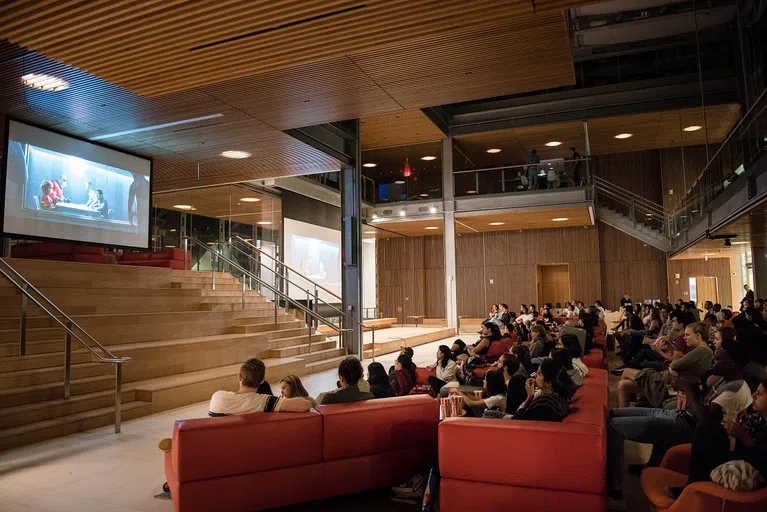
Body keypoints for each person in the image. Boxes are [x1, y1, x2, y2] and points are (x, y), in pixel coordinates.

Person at [606, 340, 753, 504]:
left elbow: (705, 421)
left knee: (614, 427)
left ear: (732, 364)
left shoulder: (735, 390)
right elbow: (702, 400)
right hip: (679, 416)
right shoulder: (724, 378)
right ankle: (652, 464)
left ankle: (615, 491)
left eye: (717, 360)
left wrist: (688, 390)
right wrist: (691, 388)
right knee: (611, 414)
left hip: (687, 428)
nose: (712, 362)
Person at [664, 378, 767, 499]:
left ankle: (694, 488)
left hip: (748, 467)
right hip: (736, 455)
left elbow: (762, 460)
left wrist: (743, 436)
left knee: (706, 427)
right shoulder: (756, 417)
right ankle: (693, 485)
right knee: (709, 428)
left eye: (759, 394)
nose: (754, 395)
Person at [209, 358, 313, 416]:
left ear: (239, 376)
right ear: (262, 381)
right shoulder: (264, 402)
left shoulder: (217, 397)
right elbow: (306, 404)